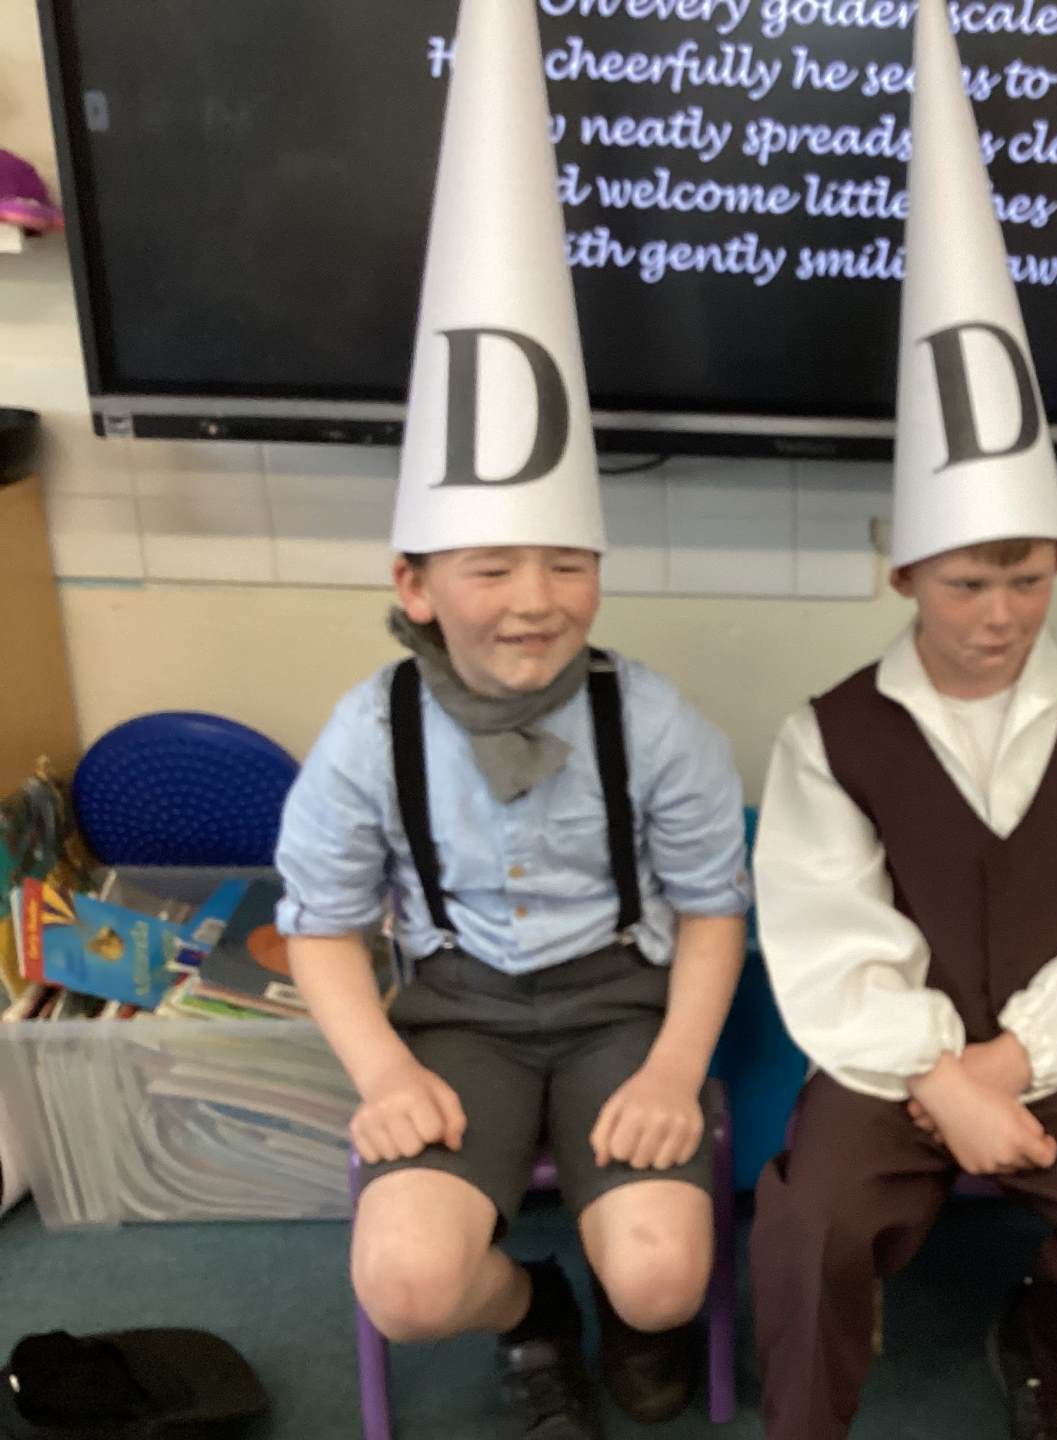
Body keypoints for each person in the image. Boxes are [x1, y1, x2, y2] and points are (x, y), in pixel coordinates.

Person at [746, 9, 1057, 1439]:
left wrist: (1010, 1064)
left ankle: (1049, 1358)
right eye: (969, 584)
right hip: (883, 1060)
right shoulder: (832, 732)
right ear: (904, 574)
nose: (1001, 614)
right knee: (811, 1229)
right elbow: (824, 930)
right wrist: (936, 1076)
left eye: (1028, 579)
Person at [275, 6, 748, 1436]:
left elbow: (712, 907)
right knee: (408, 1283)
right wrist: (382, 1071)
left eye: (566, 562)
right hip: (456, 1008)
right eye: (491, 568)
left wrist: (674, 1067)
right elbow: (322, 924)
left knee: (662, 1274)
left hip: (618, 1004)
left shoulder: (648, 717)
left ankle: (633, 1306)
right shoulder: (368, 733)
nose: (535, 601)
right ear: (415, 584)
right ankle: (530, 1305)